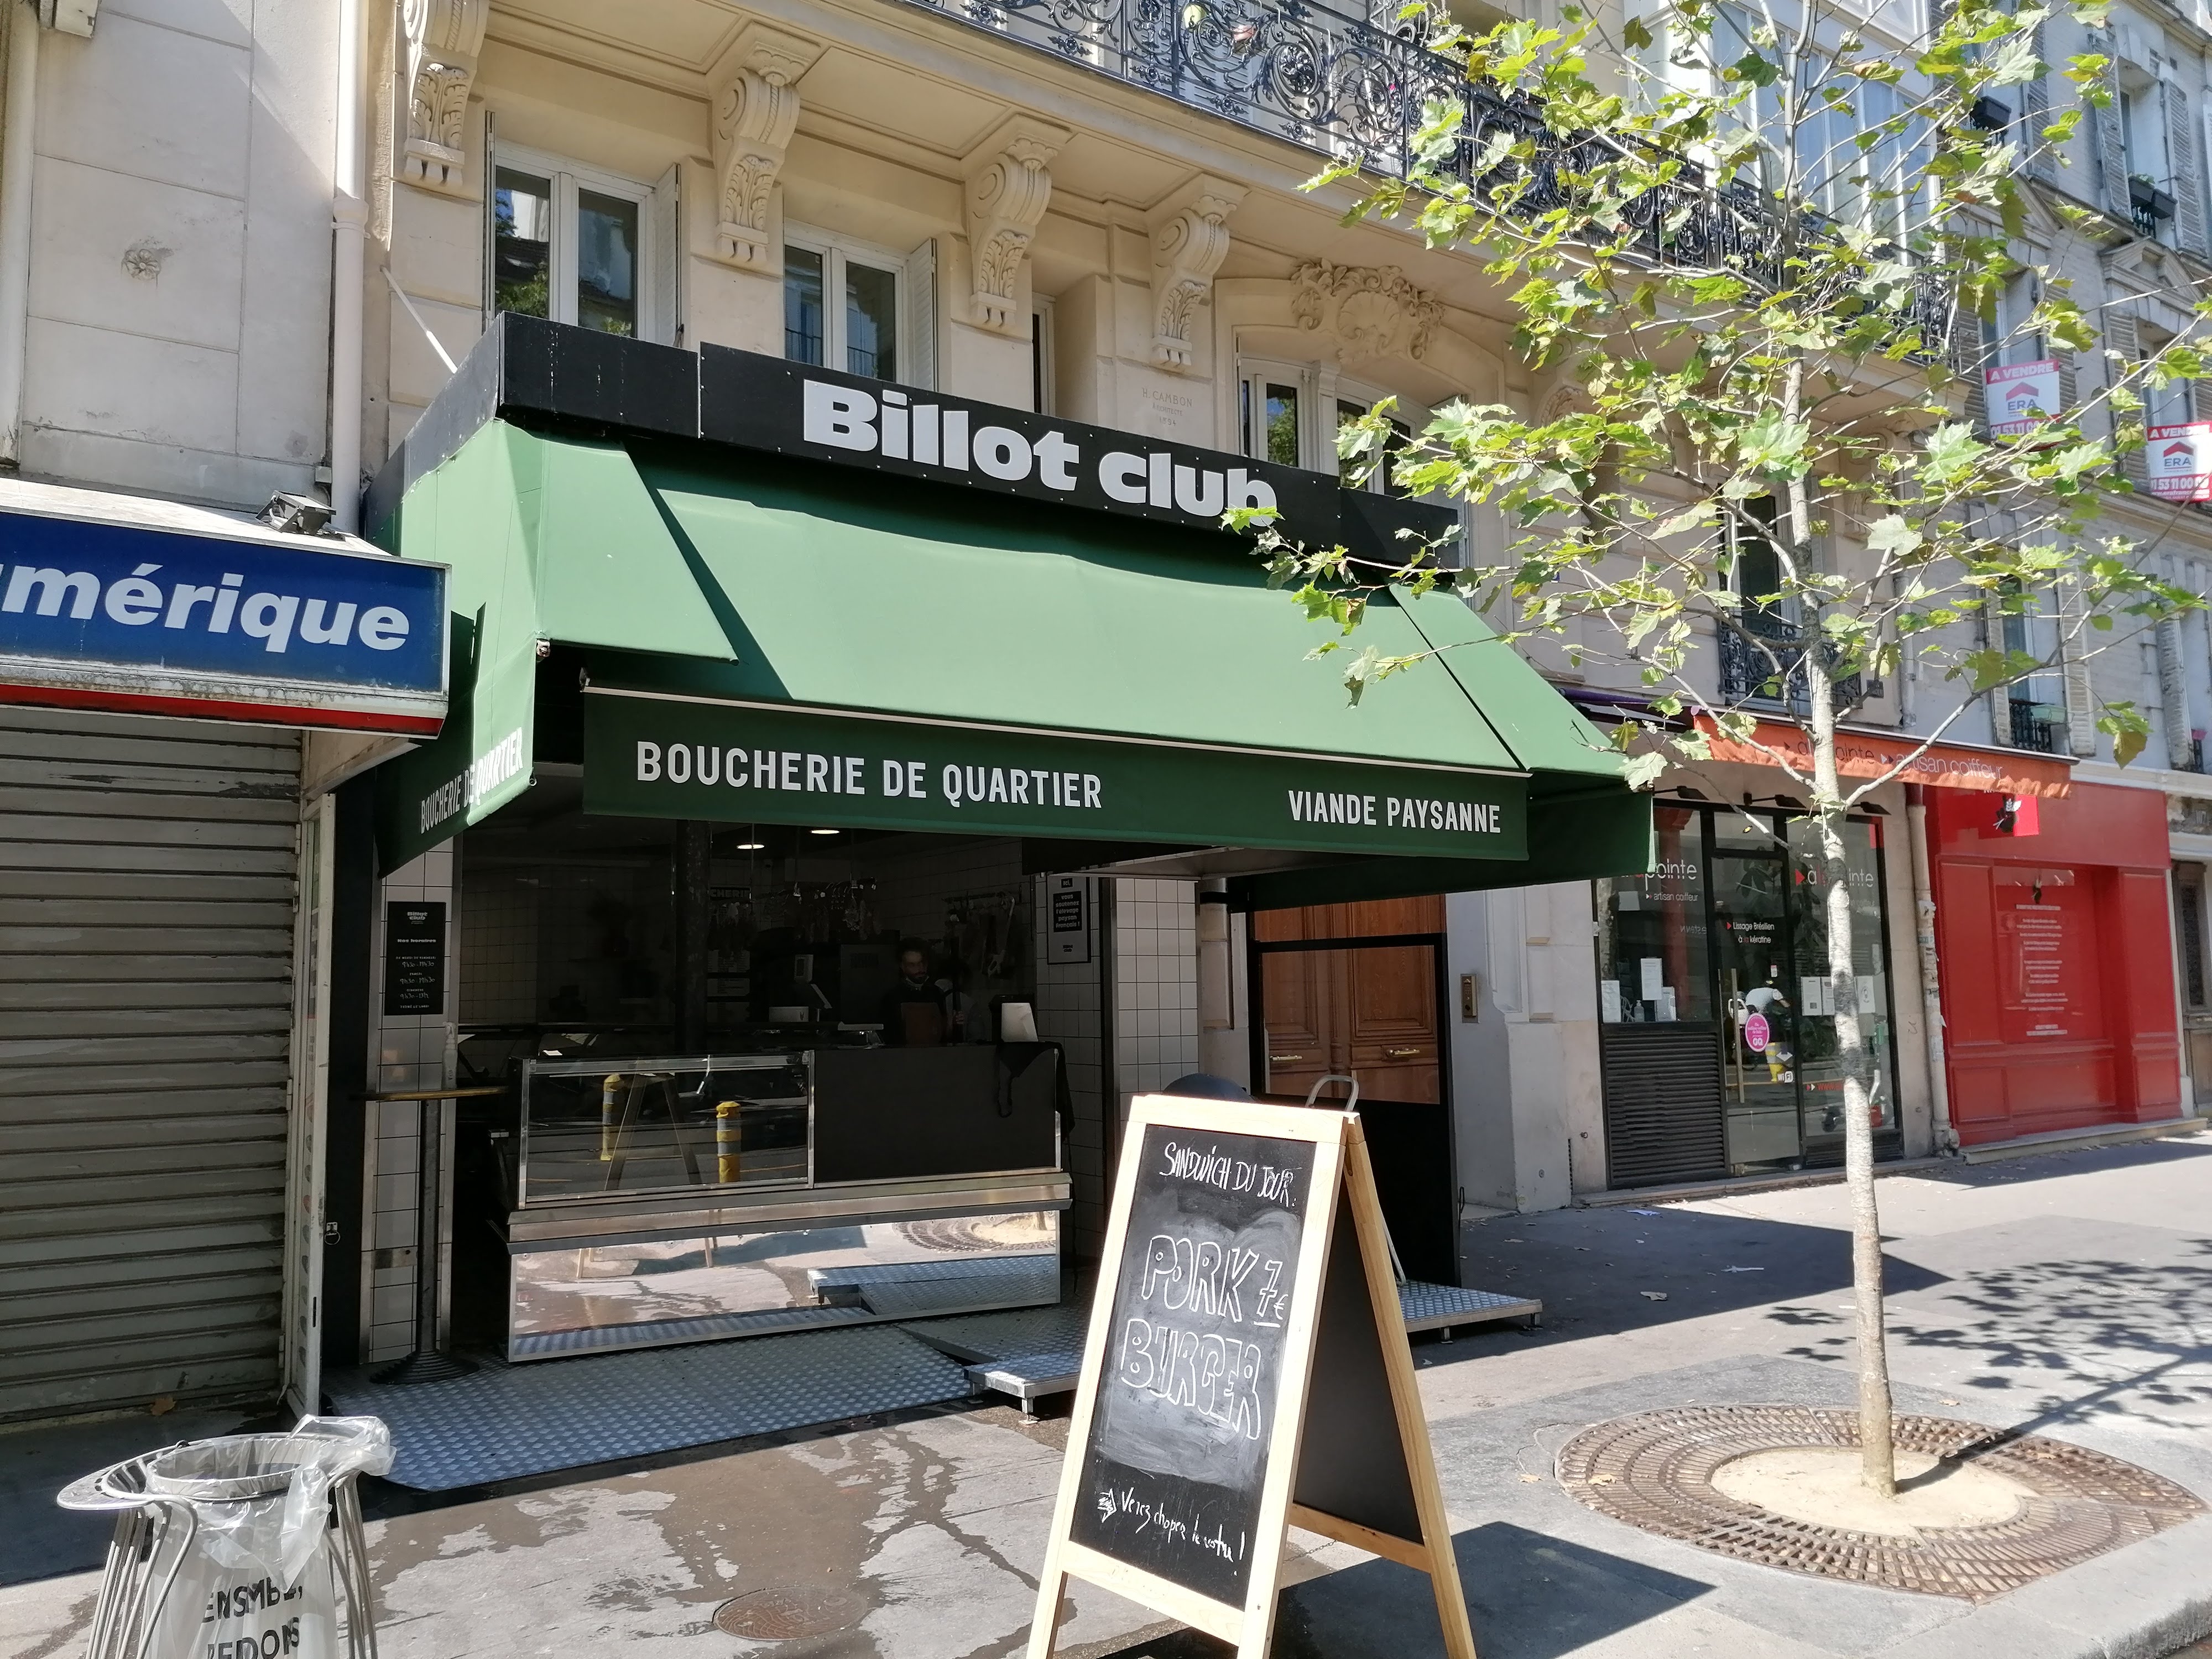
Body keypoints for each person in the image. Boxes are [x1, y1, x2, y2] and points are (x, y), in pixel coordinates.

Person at [880, 941, 952, 1046]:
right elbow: (889, 1037)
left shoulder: (936, 993)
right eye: (912, 965)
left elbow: (944, 1034)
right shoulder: (892, 997)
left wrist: (951, 1025)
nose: (919, 969)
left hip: (936, 1053)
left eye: (922, 963)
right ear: (902, 967)